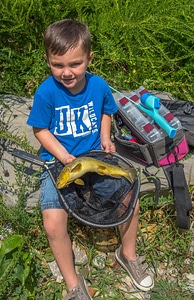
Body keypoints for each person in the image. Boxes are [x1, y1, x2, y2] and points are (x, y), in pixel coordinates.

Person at [27, 19, 154, 299]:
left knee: (129, 197)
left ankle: (127, 253)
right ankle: (73, 283)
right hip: (57, 160)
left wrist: (106, 138)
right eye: (57, 65)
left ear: (89, 58)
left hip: (96, 156)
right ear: (47, 59)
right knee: (52, 222)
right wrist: (63, 155)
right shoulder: (46, 92)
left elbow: (107, 111)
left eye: (75, 64)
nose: (66, 72)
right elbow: (40, 129)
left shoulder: (98, 85)